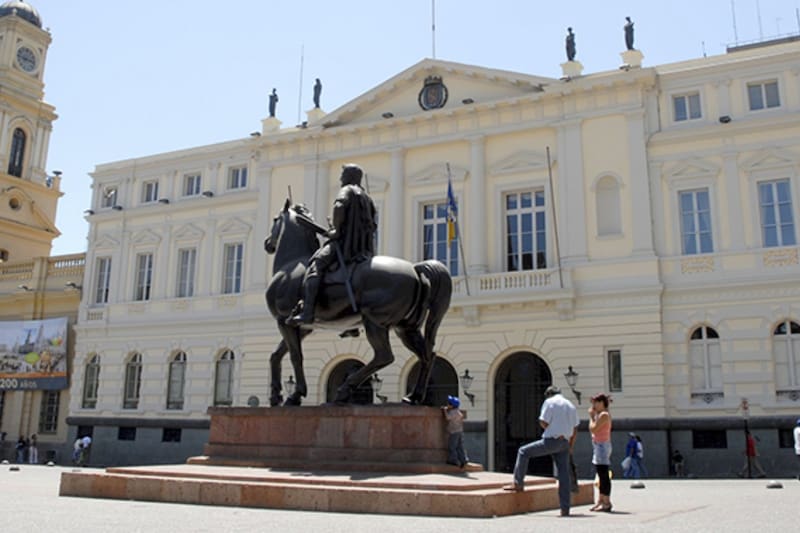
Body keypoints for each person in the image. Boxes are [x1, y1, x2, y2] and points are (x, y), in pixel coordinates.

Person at [287, 164, 378, 326]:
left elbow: (339, 206)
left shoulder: (347, 190)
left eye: (343, 174)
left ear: (349, 176)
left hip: (344, 246)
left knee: (315, 265)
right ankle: (349, 326)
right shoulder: (367, 197)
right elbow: (373, 225)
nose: (341, 178)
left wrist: (335, 230)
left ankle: (307, 312)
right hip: (364, 250)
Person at [504, 385, 579, 517]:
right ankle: (565, 509)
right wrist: (570, 445)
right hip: (565, 442)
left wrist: (552, 428)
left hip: (551, 440)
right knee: (564, 475)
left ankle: (518, 483)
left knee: (523, 452)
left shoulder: (549, 402)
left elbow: (543, 421)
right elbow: (575, 428)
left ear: (548, 394)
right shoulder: (570, 404)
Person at [588, 393, 613, 512]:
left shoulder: (604, 415)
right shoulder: (600, 415)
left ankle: (606, 502)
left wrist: (591, 417)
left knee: (603, 474)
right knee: (600, 474)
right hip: (598, 445)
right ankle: (601, 500)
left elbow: (593, 429)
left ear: (602, 403)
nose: (594, 405)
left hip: (602, 446)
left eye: (596, 402)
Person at [442, 395, 468, 468]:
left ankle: (453, 460)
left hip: (454, 432)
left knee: (452, 446)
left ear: (452, 405)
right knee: (460, 446)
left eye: (449, 404)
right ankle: (463, 459)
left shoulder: (452, 412)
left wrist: (445, 410)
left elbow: (448, 418)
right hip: (460, 431)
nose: (447, 405)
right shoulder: (458, 412)